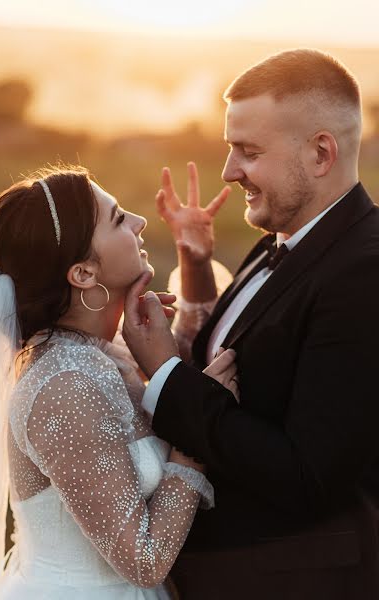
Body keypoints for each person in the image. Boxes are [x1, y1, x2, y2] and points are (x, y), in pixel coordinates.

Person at [122, 49, 379, 599]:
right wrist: (195, 266)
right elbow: (248, 361)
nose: (229, 171)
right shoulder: (278, 243)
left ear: (320, 152)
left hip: (291, 581)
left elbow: (308, 475)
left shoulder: (366, 271)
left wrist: (165, 373)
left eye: (249, 151)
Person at [0, 166, 237, 599]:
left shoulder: (103, 351)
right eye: (118, 218)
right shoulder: (63, 384)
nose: (140, 222)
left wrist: (193, 262)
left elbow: (183, 370)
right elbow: (143, 559)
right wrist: (196, 439)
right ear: (82, 274)